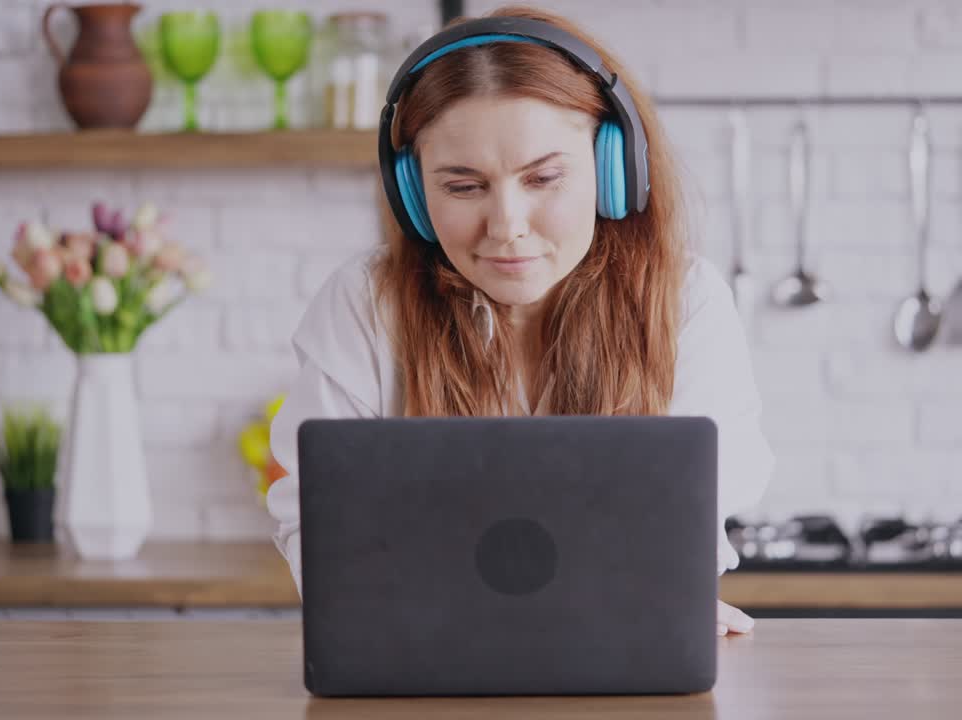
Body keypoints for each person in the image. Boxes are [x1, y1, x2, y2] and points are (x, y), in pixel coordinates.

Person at [266, 5, 774, 637]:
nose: (506, 226)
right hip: (422, 651)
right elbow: (321, 521)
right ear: (413, 195)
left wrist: (663, 597)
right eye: (462, 186)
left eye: (543, 178)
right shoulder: (365, 304)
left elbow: (699, 511)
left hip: (618, 648)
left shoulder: (685, 301)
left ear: (613, 170)